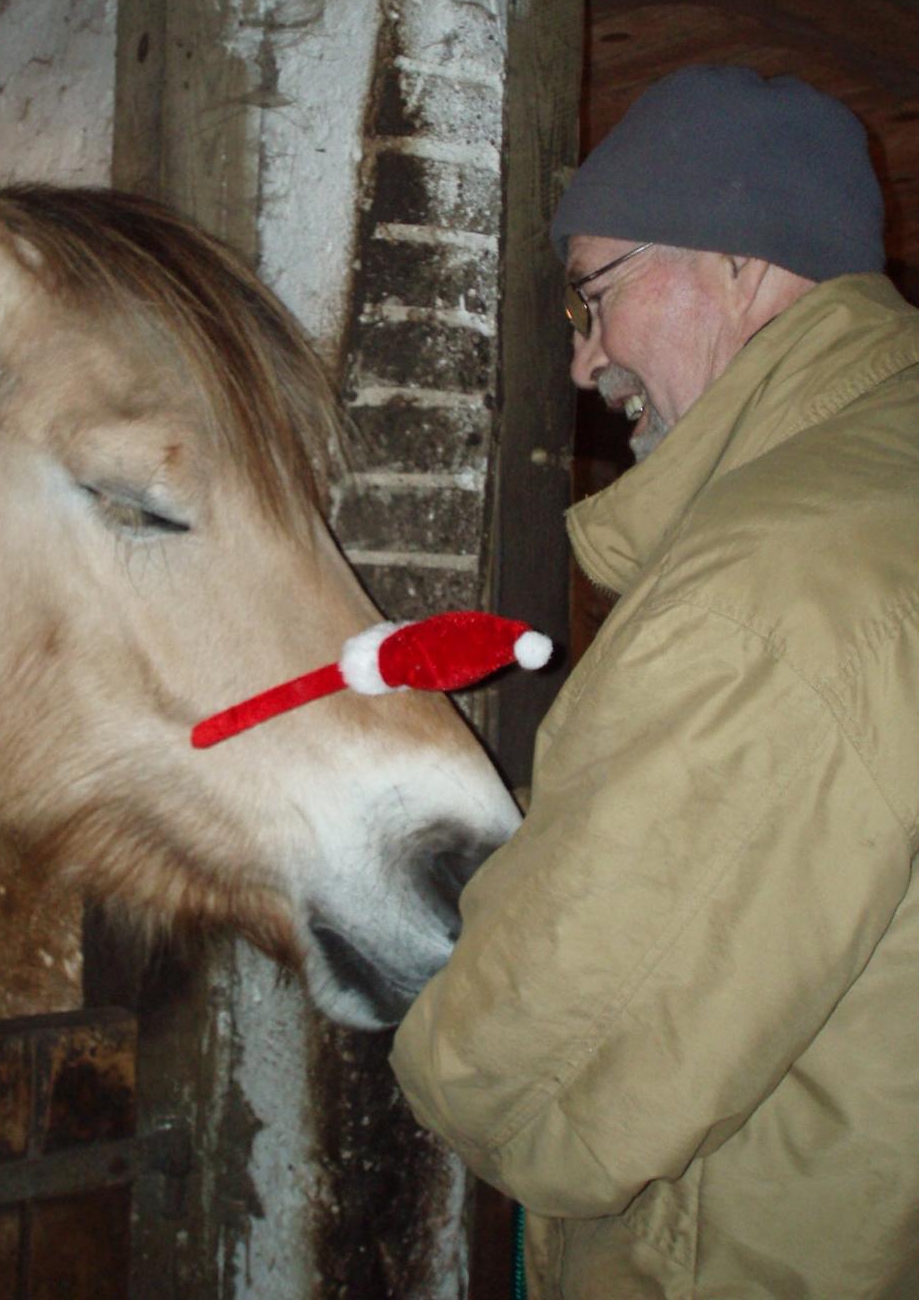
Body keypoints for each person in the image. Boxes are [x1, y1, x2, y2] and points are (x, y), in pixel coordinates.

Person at [390, 64, 919, 1297]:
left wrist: (434, 1017)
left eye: (593, 300)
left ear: (738, 263)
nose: (583, 366)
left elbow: (546, 1074)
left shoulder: (770, 591)